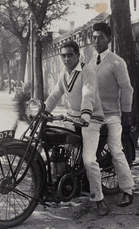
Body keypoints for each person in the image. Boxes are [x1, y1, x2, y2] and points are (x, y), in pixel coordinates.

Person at [44, 41, 107, 216]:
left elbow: (88, 94)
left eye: (70, 55)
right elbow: (56, 94)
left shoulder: (87, 72)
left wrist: (85, 116)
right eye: (63, 55)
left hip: (91, 118)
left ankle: (98, 199)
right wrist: (43, 110)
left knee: (88, 160)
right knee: (57, 150)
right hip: (72, 117)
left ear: (78, 55)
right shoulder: (64, 73)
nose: (66, 58)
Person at [88, 22, 135, 210]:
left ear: (109, 39)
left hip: (113, 115)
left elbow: (126, 88)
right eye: (94, 38)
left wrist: (126, 113)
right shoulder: (91, 62)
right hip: (93, 116)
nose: (96, 41)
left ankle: (128, 190)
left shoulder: (117, 62)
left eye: (100, 37)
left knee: (116, 150)